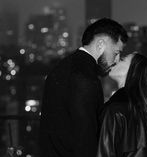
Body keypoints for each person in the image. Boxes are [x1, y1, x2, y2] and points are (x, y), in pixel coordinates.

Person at [40, 18, 128, 157]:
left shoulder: (62, 67)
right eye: (116, 53)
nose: (116, 61)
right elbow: (85, 138)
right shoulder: (85, 77)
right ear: (100, 44)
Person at [97, 53, 147, 157]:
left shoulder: (114, 110)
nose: (116, 61)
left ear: (132, 70)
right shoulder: (143, 111)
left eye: (122, 59)